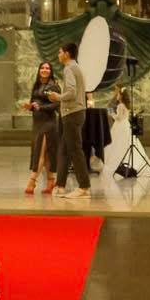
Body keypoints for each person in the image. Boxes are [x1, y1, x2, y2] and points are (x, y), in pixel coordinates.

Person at [47, 42, 91, 199]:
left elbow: (71, 92)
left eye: (60, 52)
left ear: (66, 54)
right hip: (74, 113)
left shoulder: (69, 68)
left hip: (72, 113)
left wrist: (57, 97)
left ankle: (84, 187)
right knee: (65, 150)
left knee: (75, 150)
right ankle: (60, 185)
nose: (58, 55)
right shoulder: (76, 67)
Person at [103, 85, 150, 179]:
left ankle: (117, 161)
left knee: (117, 143)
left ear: (121, 95)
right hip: (126, 125)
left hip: (120, 126)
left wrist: (111, 113)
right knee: (125, 143)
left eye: (118, 94)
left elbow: (119, 118)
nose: (117, 96)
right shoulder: (126, 105)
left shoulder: (120, 105)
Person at [21, 60, 59, 194]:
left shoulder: (53, 86)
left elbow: (56, 105)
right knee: (47, 155)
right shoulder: (36, 85)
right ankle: (51, 181)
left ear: (51, 71)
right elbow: (34, 103)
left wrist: (41, 107)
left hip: (48, 123)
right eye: (42, 68)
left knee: (40, 152)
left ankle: (32, 181)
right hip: (37, 123)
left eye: (47, 68)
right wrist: (30, 107)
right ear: (39, 70)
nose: (45, 70)